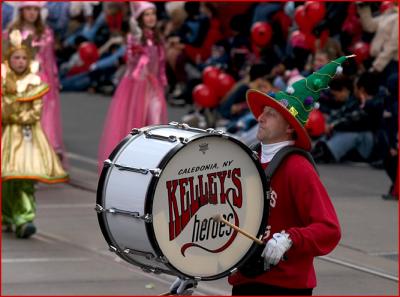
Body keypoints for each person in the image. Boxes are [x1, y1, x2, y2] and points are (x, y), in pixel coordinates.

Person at [169, 56, 350, 295]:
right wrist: (193, 270)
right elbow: (223, 223)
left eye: (271, 114)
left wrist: (290, 239)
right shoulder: (245, 163)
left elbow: (329, 229)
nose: (260, 118)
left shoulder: (297, 168)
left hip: (285, 285)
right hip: (245, 279)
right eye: (263, 112)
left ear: (289, 127)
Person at [1, 30, 69, 239]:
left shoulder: (34, 81)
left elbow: (35, 112)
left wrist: (15, 111)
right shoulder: (4, 81)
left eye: (23, 57)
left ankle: (25, 217)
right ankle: (9, 215)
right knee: (8, 179)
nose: (20, 62)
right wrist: (13, 109)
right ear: (8, 59)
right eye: (16, 57)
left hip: (28, 137)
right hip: (7, 137)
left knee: (26, 178)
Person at [98, 1, 168, 173]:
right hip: (136, 86)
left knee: (155, 121)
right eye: (147, 14)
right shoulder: (134, 37)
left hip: (153, 87)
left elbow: (160, 64)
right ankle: (133, 161)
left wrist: (162, 81)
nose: (151, 17)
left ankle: (154, 160)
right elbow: (132, 60)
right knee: (135, 122)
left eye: (153, 13)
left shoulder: (157, 38)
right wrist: (137, 41)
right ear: (139, 18)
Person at [6, 2, 68, 166]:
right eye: (28, 9)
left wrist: (54, 81)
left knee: (43, 118)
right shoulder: (12, 32)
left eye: (35, 9)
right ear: (21, 11)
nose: (32, 13)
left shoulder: (46, 33)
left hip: (42, 81)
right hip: (20, 82)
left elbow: (50, 60)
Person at [312, 71, 384, 164]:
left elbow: (356, 119)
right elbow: (342, 113)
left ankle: (327, 151)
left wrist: (333, 125)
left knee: (354, 132)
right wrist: (330, 123)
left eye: (355, 87)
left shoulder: (375, 104)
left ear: (361, 89)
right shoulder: (356, 101)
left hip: (368, 143)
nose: (354, 90)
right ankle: (320, 147)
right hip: (359, 144)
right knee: (339, 127)